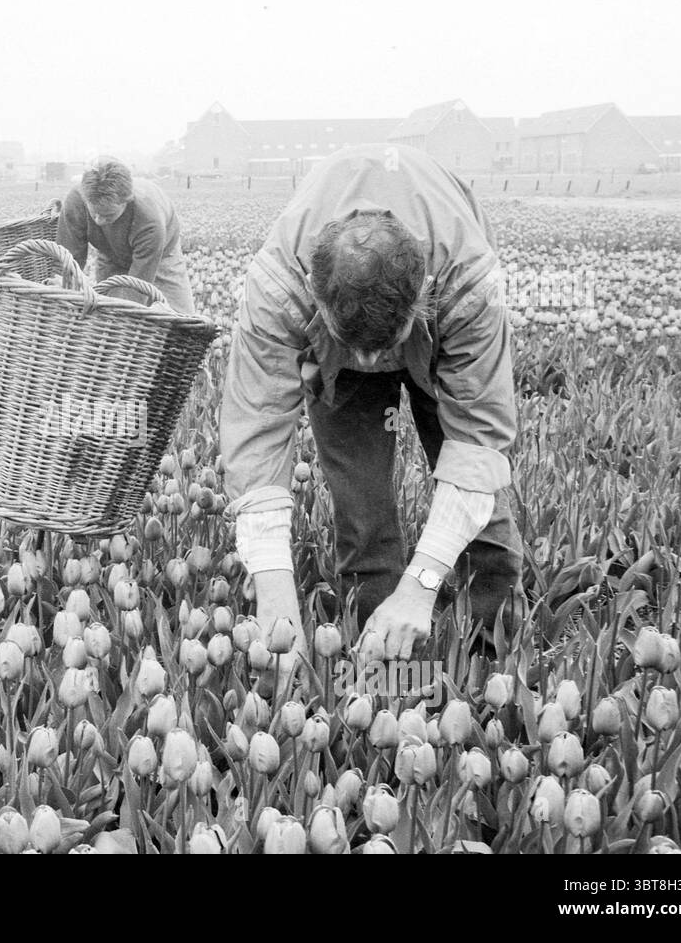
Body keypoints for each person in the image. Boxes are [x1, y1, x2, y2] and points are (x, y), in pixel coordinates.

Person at [220, 143, 523, 683]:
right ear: (315, 296)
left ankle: (489, 660)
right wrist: (276, 597)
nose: (367, 363)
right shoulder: (277, 287)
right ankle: (377, 670)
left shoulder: (468, 286)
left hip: (440, 338)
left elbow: (478, 442)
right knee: (360, 500)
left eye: (382, 347)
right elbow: (256, 435)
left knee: (479, 493)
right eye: (353, 346)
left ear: (422, 297)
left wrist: (422, 584)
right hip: (340, 338)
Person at [57, 157, 195, 313]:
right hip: (110, 254)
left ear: (126, 202)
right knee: (106, 311)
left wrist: (126, 313)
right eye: (94, 213)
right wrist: (66, 294)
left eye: (108, 215)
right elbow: (68, 259)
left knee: (180, 317)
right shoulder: (76, 201)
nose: (99, 221)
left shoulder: (149, 220)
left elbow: (138, 290)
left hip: (161, 255)